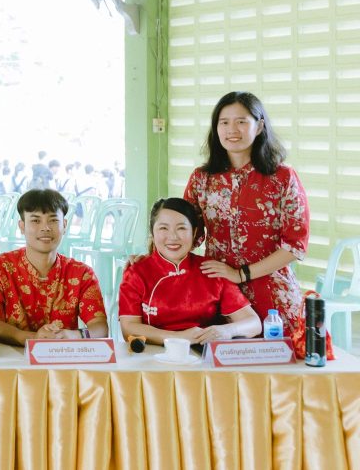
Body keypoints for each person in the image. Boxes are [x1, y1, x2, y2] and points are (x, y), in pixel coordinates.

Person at [183, 91, 310, 356]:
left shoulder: (283, 178)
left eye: (241, 121)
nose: (232, 129)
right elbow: (187, 234)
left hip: (273, 297)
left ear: (259, 126)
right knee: (216, 369)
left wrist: (242, 274)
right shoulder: (201, 179)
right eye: (224, 122)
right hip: (218, 293)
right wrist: (150, 255)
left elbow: (295, 245)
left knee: (276, 368)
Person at [118, 197, 261, 345]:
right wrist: (179, 338)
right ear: (152, 234)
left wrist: (226, 331)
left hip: (203, 353)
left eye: (181, 228)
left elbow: (254, 323)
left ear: (194, 232)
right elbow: (128, 328)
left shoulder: (212, 270)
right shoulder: (136, 273)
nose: (173, 237)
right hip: (152, 354)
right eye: (163, 228)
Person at [0, 189, 108, 346]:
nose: (45, 228)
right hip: (10, 356)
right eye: (36, 220)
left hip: (62, 356)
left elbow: (100, 327)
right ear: (22, 226)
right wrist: (26, 337)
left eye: (53, 220)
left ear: (65, 225)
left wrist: (74, 335)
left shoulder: (82, 273)